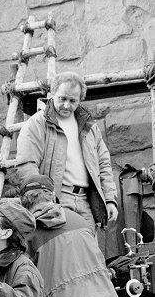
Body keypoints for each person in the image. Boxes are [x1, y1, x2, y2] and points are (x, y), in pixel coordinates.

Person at [15, 71, 119, 229]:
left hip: (87, 201)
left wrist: (110, 199)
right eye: (62, 98)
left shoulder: (89, 126)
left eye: (72, 101)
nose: (66, 105)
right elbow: (27, 165)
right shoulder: (37, 124)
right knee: (63, 249)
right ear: (53, 93)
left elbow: (103, 163)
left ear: (80, 99)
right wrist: (41, 203)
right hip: (56, 199)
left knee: (88, 250)